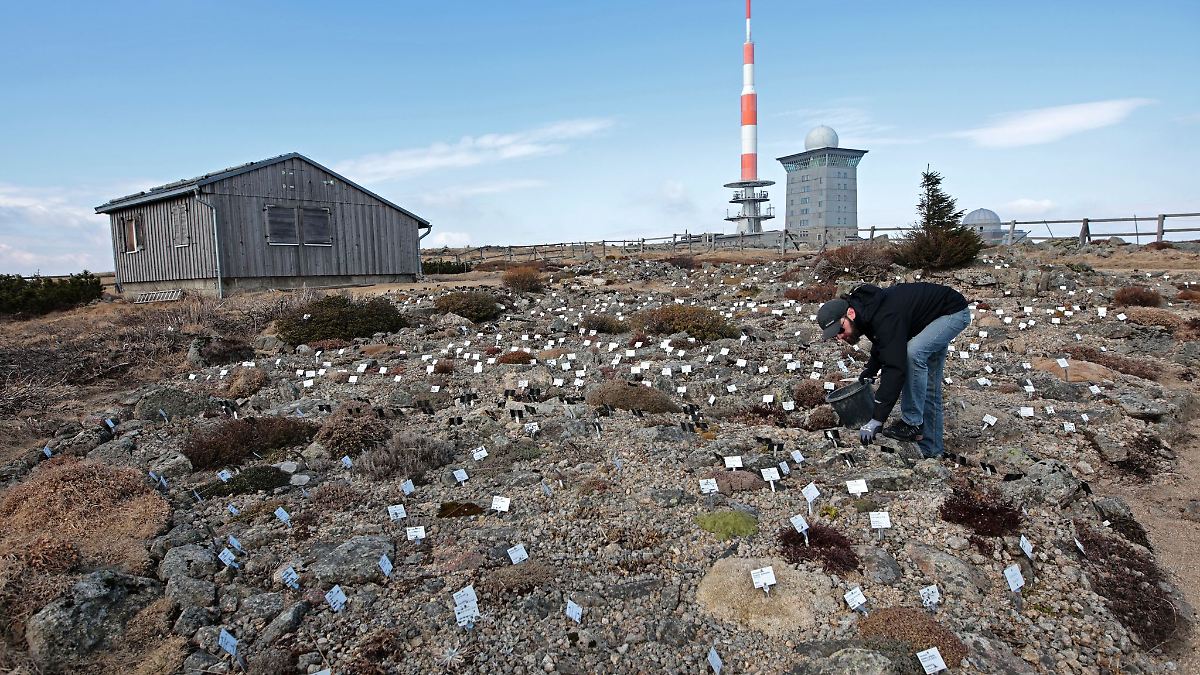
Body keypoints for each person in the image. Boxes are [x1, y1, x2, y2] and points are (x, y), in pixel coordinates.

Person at [815, 282, 971, 458]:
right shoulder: (866, 312)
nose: (840, 336)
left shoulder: (884, 315)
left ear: (850, 314)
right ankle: (932, 449)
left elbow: (895, 368)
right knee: (927, 387)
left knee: (912, 354)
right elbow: (883, 342)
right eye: (836, 335)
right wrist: (871, 369)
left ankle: (912, 423)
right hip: (930, 319)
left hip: (952, 313)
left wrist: (877, 419)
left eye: (840, 329)